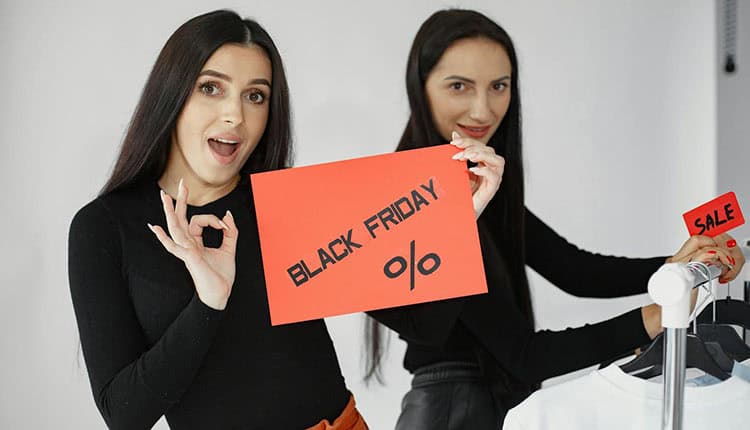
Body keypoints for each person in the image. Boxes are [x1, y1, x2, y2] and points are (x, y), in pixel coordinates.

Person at [364, 9, 746, 429]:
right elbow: (527, 357)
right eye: (459, 86)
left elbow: (574, 270)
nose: (482, 109)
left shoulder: (478, 183)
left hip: (477, 407)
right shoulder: (413, 205)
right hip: (457, 412)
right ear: (420, 88)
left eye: (499, 86)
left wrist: (675, 267)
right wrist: (655, 317)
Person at [67, 10, 369, 429]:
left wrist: (458, 215)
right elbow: (124, 413)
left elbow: (416, 320)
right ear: (171, 94)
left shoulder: (290, 202)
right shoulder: (105, 227)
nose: (236, 116)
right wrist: (209, 303)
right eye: (211, 88)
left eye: (255, 96)